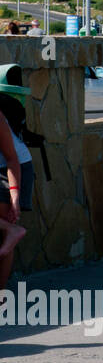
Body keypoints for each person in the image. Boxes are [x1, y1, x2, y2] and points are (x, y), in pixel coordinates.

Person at [0, 114, 28, 286]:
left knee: (4, 229)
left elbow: (12, 158)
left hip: (11, 168)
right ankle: (10, 229)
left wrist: (15, 196)